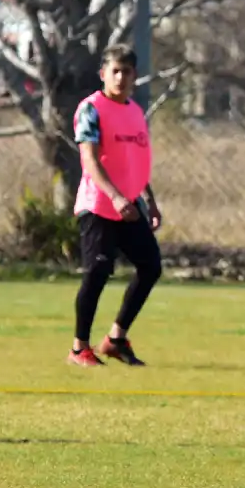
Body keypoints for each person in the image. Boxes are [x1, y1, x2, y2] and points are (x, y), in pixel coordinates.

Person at [68, 44, 163, 368]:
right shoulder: (91, 109)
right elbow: (90, 161)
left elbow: (136, 161)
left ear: (135, 76)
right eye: (115, 71)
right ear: (103, 75)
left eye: (127, 71)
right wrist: (116, 197)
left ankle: (116, 339)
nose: (121, 77)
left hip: (130, 206)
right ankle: (80, 348)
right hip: (99, 205)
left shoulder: (135, 112)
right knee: (97, 271)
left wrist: (148, 199)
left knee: (150, 266)